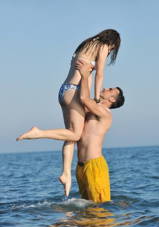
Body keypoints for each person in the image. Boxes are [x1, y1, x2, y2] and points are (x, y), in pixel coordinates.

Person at [16, 29, 121, 197]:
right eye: (112, 49)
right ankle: (39, 132)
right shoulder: (102, 46)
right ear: (112, 42)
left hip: (64, 90)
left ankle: (66, 174)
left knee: (68, 135)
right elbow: (100, 73)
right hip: (73, 93)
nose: (110, 52)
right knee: (75, 134)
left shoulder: (86, 45)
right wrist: (95, 96)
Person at [75, 60, 125, 202]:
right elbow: (81, 98)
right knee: (86, 209)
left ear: (111, 99)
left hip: (95, 165)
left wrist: (84, 74)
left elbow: (84, 98)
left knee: (99, 210)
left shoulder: (105, 113)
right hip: (80, 166)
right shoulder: (93, 107)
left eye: (110, 90)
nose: (106, 88)